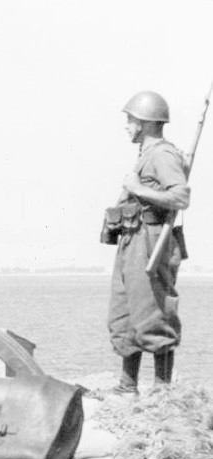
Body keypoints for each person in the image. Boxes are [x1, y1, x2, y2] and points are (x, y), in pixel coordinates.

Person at [106, 90, 190, 394]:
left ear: (144, 123)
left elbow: (181, 196)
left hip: (151, 239)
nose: (127, 126)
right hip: (133, 238)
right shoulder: (147, 154)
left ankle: (161, 390)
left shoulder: (162, 154)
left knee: (153, 310)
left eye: (130, 120)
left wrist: (137, 188)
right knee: (125, 312)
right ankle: (127, 385)